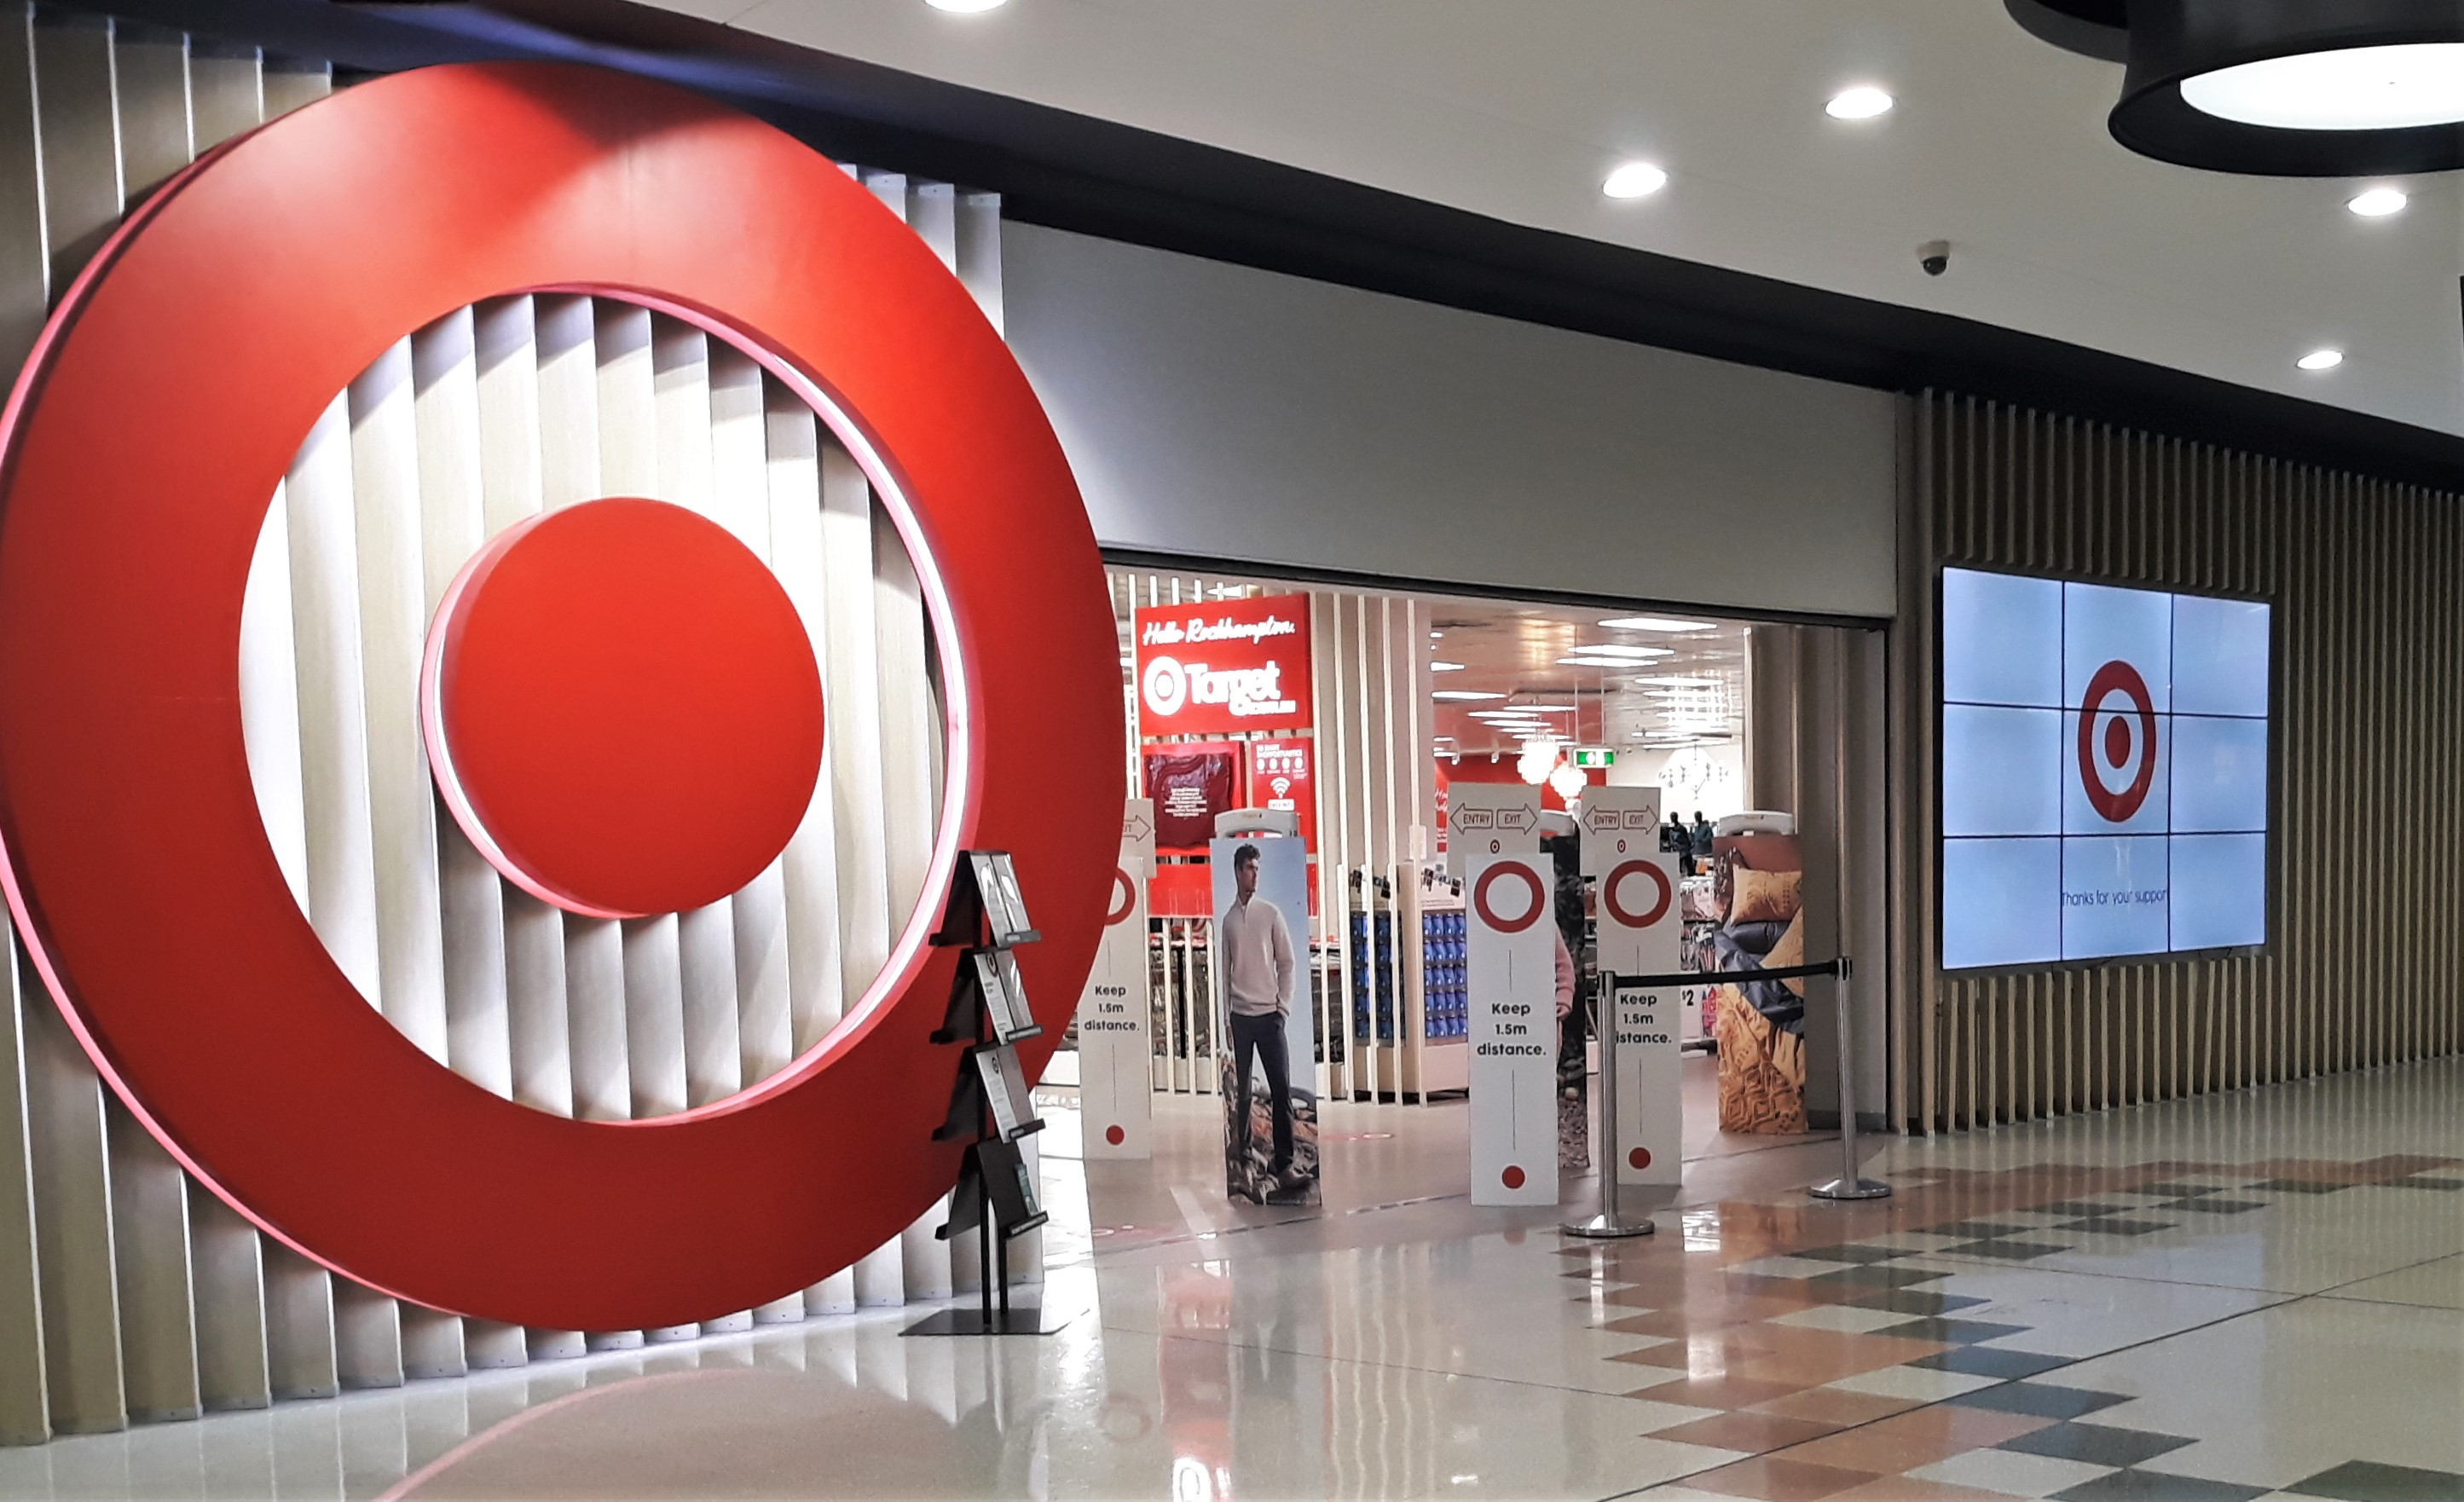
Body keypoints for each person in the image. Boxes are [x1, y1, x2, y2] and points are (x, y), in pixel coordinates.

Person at [1221, 841, 1299, 1190]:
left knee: (1281, 1090)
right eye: (1250, 868)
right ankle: (1245, 1157)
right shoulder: (1228, 921)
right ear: (1238, 871)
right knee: (1242, 1094)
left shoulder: (1271, 913)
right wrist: (1227, 1020)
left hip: (1269, 1017)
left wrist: (1283, 1008)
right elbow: (1225, 972)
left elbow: (1287, 963)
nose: (1255, 874)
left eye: (1257, 868)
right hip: (1240, 1017)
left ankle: (1285, 1164)